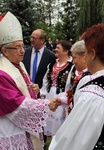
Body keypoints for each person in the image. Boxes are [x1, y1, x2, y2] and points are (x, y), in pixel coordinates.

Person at [49, 23, 104, 150]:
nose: (85, 57)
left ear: (92, 54)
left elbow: (72, 143)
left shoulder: (94, 94)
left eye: (86, 52)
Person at [0, 11, 60, 150]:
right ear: (5, 51)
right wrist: (45, 105)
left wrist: (35, 90)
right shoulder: (2, 72)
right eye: (17, 47)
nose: (23, 51)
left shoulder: (18, 65)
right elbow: (15, 103)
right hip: (9, 128)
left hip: (22, 128)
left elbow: (24, 93)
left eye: (22, 46)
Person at [40, 40, 73, 137]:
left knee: (60, 122)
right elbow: (45, 79)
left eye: (58, 48)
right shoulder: (52, 64)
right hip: (50, 94)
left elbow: (70, 84)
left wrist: (66, 98)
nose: (55, 49)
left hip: (62, 96)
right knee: (49, 119)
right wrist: (43, 93)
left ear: (66, 51)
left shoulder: (71, 66)